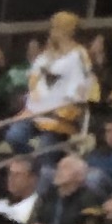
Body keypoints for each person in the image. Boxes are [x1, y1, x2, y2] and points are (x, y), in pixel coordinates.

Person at [22, 13, 93, 146]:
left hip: (62, 115)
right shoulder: (46, 54)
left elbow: (82, 85)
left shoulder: (80, 55)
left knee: (45, 146)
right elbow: (34, 79)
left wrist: (65, 108)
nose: (52, 31)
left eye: (56, 27)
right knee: (15, 135)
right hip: (36, 113)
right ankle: (28, 163)